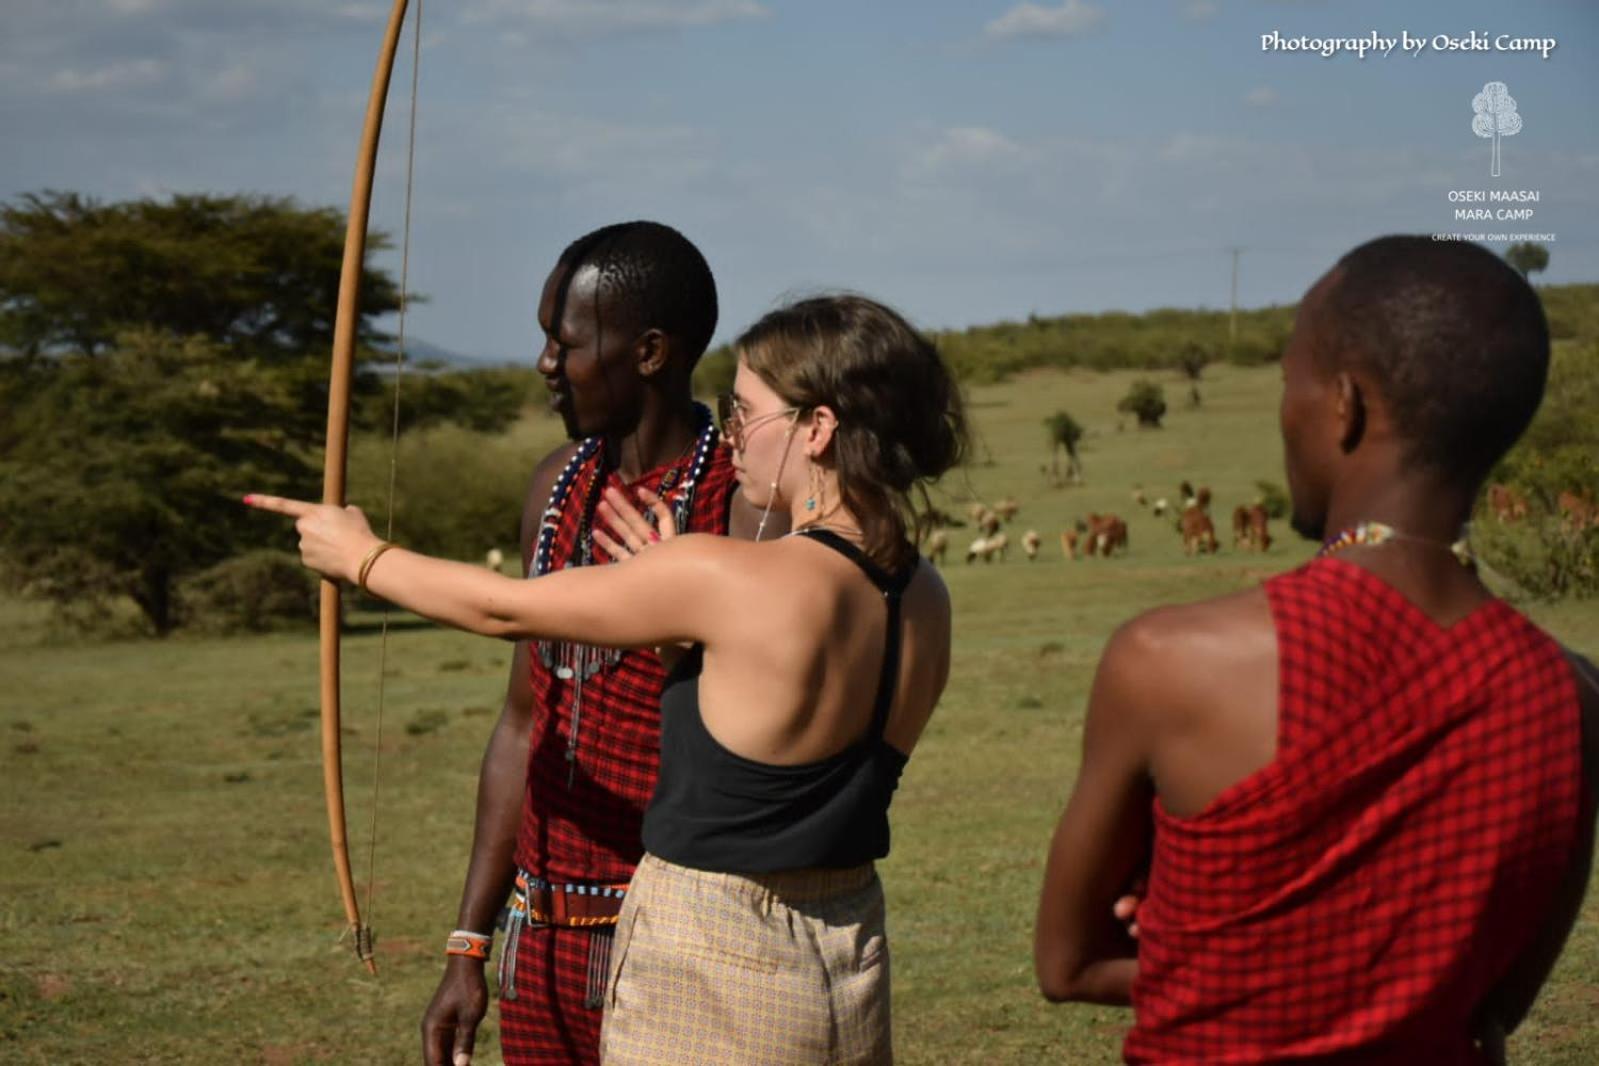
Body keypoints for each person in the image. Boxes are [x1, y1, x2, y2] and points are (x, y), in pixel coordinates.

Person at [250, 292, 967, 1064]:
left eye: (748, 414)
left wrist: (359, 556)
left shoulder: (735, 578)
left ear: (817, 429)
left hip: (713, 952)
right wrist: (681, 630)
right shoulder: (923, 592)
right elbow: (789, 745)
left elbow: (503, 612)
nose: (731, 439)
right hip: (845, 948)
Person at [1033, 235, 1598, 1063]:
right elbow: (1495, 1002)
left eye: (1286, 385)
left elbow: (1067, 961)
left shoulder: (1169, 660)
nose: (1282, 414)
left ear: (1343, 405)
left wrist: (1200, 933)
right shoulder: (1568, 698)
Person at [417, 221, 766, 1066]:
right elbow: (520, 723)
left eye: (563, 340)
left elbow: (765, 738)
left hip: (678, 936)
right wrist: (469, 944)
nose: (545, 363)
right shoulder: (555, 488)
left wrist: (675, 604)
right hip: (539, 938)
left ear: (648, 351)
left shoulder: (743, 508)